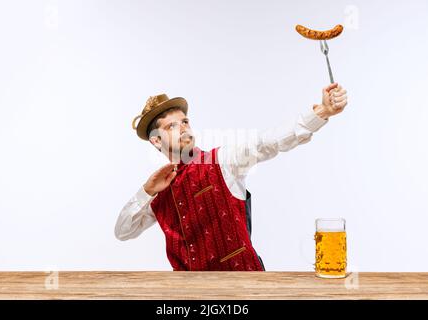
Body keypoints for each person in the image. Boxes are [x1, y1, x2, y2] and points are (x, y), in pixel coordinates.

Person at [115, 84, 348, 271]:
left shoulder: (224, 160)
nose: (184, 127)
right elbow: (123, 231)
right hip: (187, 299)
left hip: (247, 291)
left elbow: (268, 142)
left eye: (185, 121)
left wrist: (321, 113)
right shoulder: (157, 191)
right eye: (172, 126)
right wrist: (146, 191)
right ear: (156, 140)